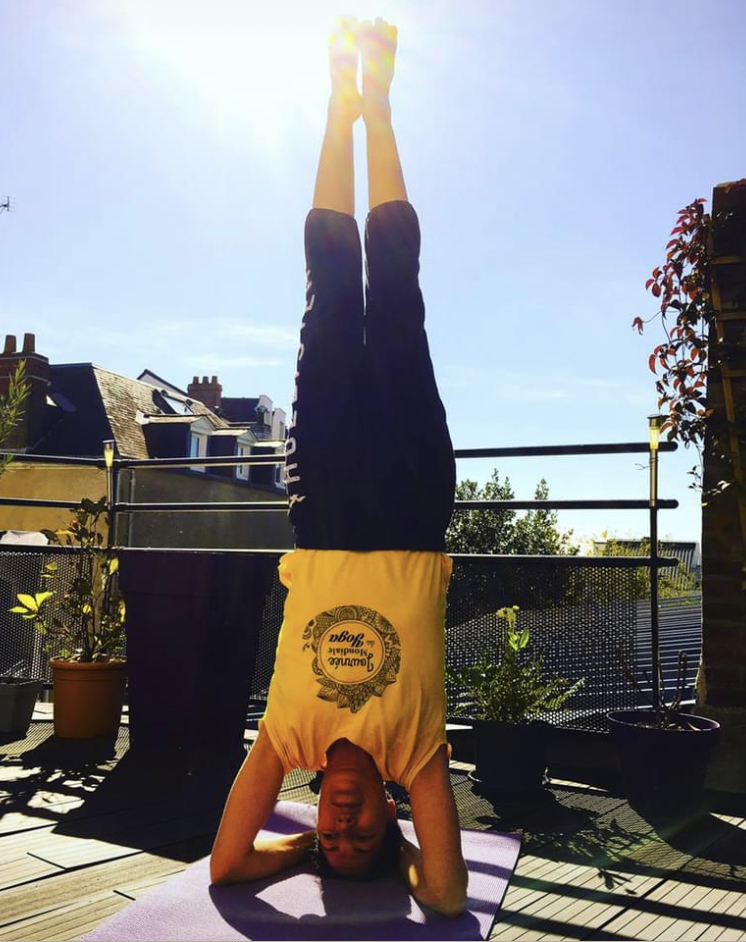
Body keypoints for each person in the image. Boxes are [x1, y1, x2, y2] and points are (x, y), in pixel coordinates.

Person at [210, 17, 468, 917]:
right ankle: (381, 109)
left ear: (314, 814)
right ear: (396, 819)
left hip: (321, 508)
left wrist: (296, 852)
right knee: (395, 295)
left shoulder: (288, 737)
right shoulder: (416, 754)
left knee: (328, 298)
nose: (346, 826)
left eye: (333, 837)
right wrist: (400, 856)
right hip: (409, 507)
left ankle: (337, 108)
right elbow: (444, 894)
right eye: (366, 838)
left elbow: (225, 866)